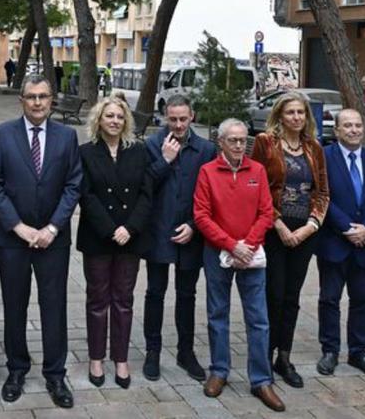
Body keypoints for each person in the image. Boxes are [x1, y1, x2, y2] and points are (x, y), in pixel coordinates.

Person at [0, 74, 83, 408]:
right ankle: (16, 370)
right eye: (31, 97)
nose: (37, 102)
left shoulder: (67, 137)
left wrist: (53, 228)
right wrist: (18, 227)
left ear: (51, 99)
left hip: (53, 240)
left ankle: (55, 374)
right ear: (21, 100)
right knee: (15, 305)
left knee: (54, 306)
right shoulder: (1, 135)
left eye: (43, 96)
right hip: (13, 240)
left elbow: (73, 185)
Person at [194, 119, 283, 412]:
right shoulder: (208, 172)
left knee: (258, 318)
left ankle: (261, 379)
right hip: (218, 253)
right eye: (232, 140)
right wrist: (231, 245)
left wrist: (248, 245)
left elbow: (266, 212)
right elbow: (202, 215)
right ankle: (219, 371)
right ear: (220, 142)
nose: (238, 146)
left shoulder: (256, 170)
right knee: (217, 313)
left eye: (243, 140)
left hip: (252, 253)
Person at [249, 90, 329, 389]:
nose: (296, 117)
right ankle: (264, 358)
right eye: (290, 112)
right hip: (274, 232)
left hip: (305, 233)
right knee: (274, 295)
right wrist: (278, 224)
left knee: (292, 298)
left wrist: (311, 226)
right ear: (279, 115)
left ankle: (284, 357)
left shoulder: (314, 148)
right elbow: (255, 186)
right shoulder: (265, 143)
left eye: (301, 113)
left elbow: (322, 192)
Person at [76, 96, 153, 389]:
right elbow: (86, 194)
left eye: (120, 117)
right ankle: (97, 357)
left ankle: (120, 358)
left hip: (130, 239)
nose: (114, 121)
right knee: (98, 300)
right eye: (109, 116)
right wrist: (111, 229)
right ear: (99, 119)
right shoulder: (85, 152)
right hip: (98, 237)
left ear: (126, 122)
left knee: (123, 300)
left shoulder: (139, 151)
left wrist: (130, 228)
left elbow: (147, 194)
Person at [141, 94, 216, 382]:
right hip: (158, 230)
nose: (178, 125)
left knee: (187, 294)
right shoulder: (151, 145)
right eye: (173, 119)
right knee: (155, 293)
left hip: (191, 232)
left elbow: (211, 194)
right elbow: (145, 185)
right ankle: (153, 351)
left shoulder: (206, 149)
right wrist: (165, 160)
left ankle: (186, 352)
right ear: (164, 118)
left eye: (183, 119)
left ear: (192, 116)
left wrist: (195, 225)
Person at [316, 109, 365, 380]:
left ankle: (358, 352)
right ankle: (330, 350)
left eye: (358, 125)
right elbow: (321, 196)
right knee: (329, 299)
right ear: (336, 130)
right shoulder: (323, 158)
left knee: (363, 300)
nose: (353, 130)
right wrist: (346, 227)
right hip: (334, 241)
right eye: (347, 126)